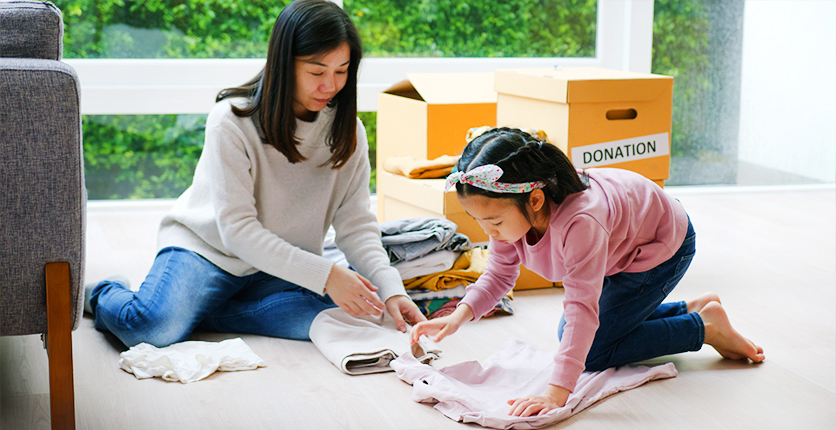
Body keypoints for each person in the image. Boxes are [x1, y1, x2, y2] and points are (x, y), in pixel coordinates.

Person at [87, 0, 424, 348]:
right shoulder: (231, 122)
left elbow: (356, 225)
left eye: (342, 71)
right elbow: (238, 232)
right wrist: (325, 275)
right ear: (284, 63)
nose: (331, 85)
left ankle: (202, 313)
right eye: (317, 71)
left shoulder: (347, 131)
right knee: (150, 328)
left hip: (277, 265)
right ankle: (103, 293)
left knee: (357, 311)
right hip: (209, 253)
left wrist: (391, 291)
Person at [410, 127, 764, 417]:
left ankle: (704, 328)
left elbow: (582, 306)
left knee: (591, 353)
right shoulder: (508, 217)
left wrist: (556, 392)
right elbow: (499, 275)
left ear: (534, 199)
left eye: (493, 221)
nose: (488, 232)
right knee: (576, 335)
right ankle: (690, 309)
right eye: (479, 221)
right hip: (619, 248)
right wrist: (459, 315)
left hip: (659, 248)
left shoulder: (581, 222)